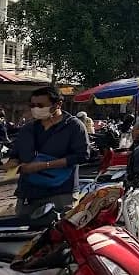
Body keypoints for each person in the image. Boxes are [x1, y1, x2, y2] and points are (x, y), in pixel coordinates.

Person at [7, 86, 89, 216]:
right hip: (28, 193)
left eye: (40, 105)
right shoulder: (28, 128)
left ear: (58, 104)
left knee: (58, 232)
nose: (36, 109)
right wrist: (12, 164)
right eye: (32, 105)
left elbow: (81, 156)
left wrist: (44, 165)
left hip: (61, 193)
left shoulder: (74, 126)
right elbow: (15, 154)